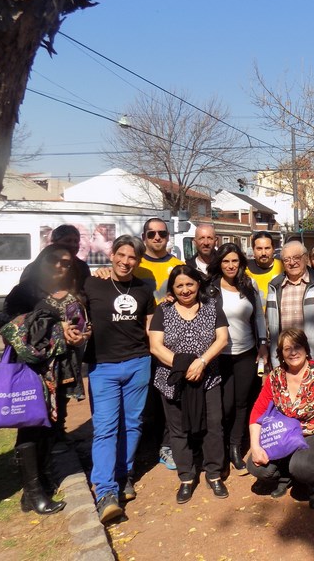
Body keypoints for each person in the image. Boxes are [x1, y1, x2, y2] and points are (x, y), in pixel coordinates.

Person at [3, 243, 90, 515]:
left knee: (54, 425)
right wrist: (56, 330)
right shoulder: (24, 292)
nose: (61, 266)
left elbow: (79, 323)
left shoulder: (72, 291)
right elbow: (10, 328)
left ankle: (41, 478)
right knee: (31, 427)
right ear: (42, 261)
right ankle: (32, 490)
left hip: (64, 370)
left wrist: (81, 334)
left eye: (66, 262)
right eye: (55, 260)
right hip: (34, 372)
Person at [83, 235, 155, 523]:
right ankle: (105, 491)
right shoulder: (92, 284)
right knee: (105, 427)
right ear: (111, 255)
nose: (126, 261)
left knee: (133, 423)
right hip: (103, 366)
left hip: (138, 363)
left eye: (132, 257)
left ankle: (124, 475)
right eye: (121, 255)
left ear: (138, 261)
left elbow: (150, 329)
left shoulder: (143, 289)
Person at [149, 265, 230, 503]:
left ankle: (214, 474)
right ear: (172, 288)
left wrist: (201, 362)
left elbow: (222, 339)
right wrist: (184, 366)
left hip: (208, 377)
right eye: (179, 285)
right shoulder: (163, 310)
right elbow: (155, 346)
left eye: (190, 284)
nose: (185, 290)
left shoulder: (212, 308)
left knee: (214, 426)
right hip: (173, 380)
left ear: (198, 284)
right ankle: (186, 477)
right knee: (178, 430)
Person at [247, 328, 314, 509]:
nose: (293, 352)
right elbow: (258, 412)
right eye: (287, 349)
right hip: (285, 433)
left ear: (305, 348)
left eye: (297, 346)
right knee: (255, 465)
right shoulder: (275, 377)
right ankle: (285, 476)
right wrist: (255, 447)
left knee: (302, 466)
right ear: (281, 353)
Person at [206, 243, 268, 476]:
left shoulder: (249, 285)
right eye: (225, 261)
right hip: (218, 355)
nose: (230, 266)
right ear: (219, 263)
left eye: (235, 261)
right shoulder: (209, 287)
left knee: (242, 403)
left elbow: (259, 316)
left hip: (246, 353)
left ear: (241, 263)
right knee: (224, 405)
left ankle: (235, 447)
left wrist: (262, 343)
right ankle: (219, 449)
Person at [132, 218, 184, 473]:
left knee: (168, 396)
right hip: (138, 343)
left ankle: (167, 445)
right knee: (144, 400)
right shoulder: (134, 265)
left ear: (167, 236)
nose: (156, 237)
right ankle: (144, 445)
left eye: (161, 233)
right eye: (151, 233)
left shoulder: (178, 266)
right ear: (144, 236)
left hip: (169, 344)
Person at [267, 241, 314, 369]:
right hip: (285, 357)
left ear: (306, 258)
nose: (292, 263)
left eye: (296, 258)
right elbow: (270, 325)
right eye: (287, 259)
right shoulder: (273, 286)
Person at [20, 224, 91, 285]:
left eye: (76, 241)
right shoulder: (37, 265)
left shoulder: (82, 267)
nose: (73, 244)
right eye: (67, 240)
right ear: (54, 242)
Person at [246, 231, 284, 307]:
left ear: (273, 249)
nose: (263, 253)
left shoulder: (283, 267)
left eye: (267, 248)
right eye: (259, 249)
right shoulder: (244, 269)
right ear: (253, 250)